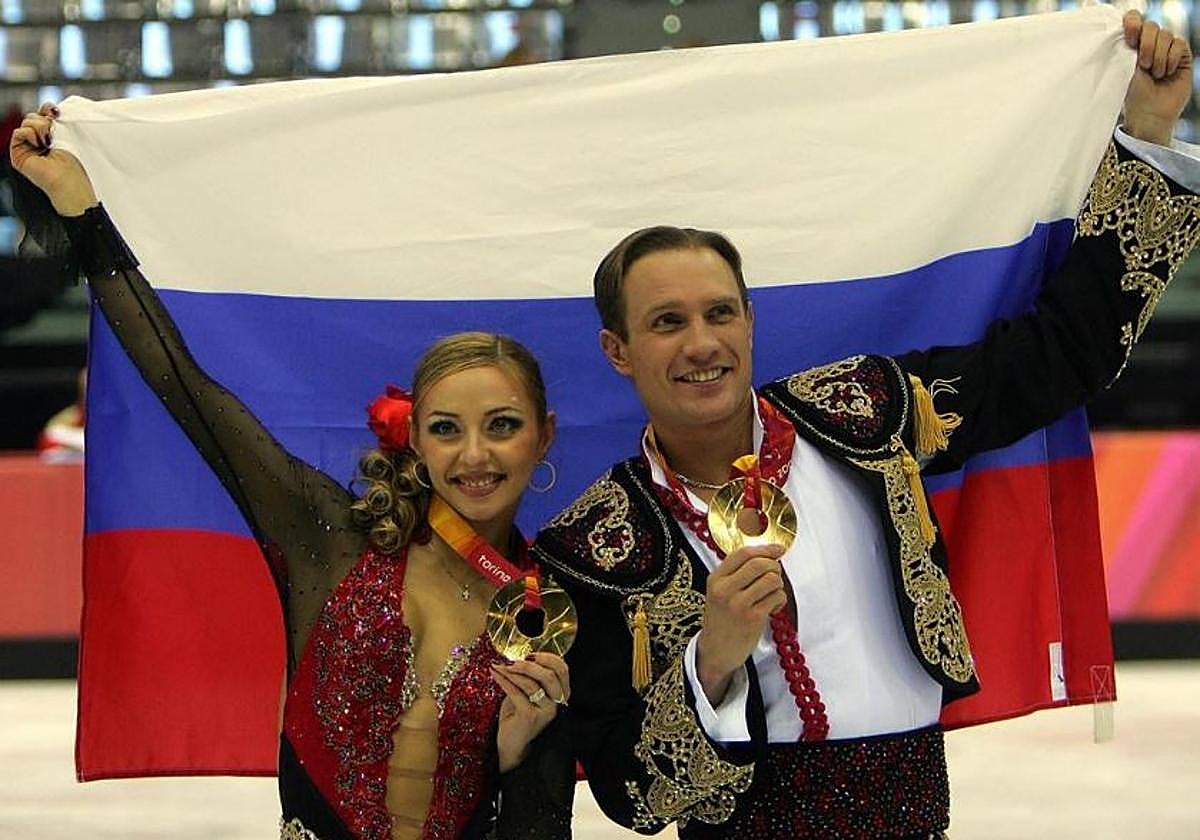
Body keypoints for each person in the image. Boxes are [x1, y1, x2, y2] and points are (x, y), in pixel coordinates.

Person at [531, 11, 1199, 840]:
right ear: (618, 349)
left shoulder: (865, 413)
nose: (701, 343)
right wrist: (711, 662)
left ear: (750, 321)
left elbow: (1062, 356)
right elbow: (632, 800)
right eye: (666, 322)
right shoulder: (593, 545)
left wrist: (1147, 130)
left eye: (720, 313)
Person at [9, 118, 575, 840]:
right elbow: (189, 391)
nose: (474, 455)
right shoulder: (332, 538)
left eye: (501, 425)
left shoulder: (551, 605)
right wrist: (82, 214)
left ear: (543, 436)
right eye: (446, 429)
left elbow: (541, 825)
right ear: (414, 439)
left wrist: (518, 754)